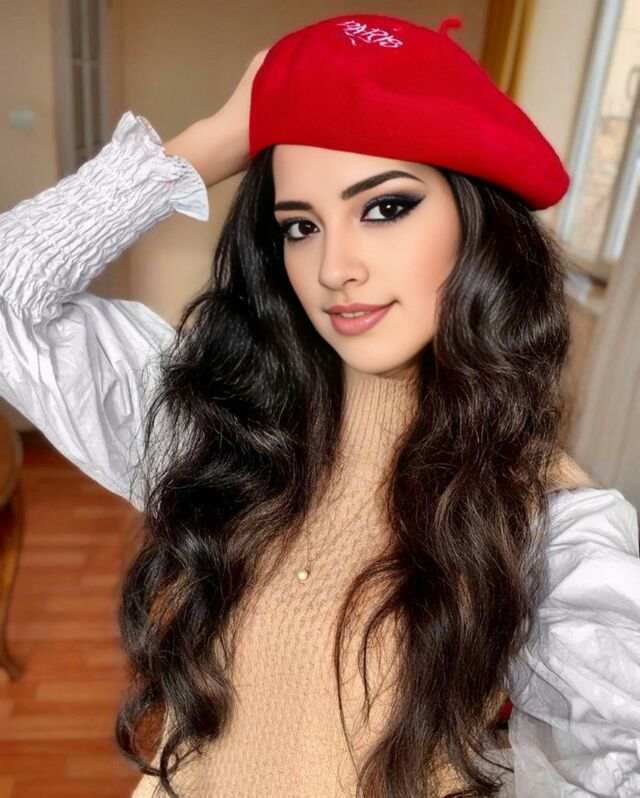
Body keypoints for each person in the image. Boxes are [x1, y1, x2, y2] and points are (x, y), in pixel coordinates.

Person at [0, 12, 638, 798]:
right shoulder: (222, 430)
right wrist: (219, 138)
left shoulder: (548, 524)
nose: (335, 266)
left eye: (385, 208)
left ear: (477, 226)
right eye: (300, 225)